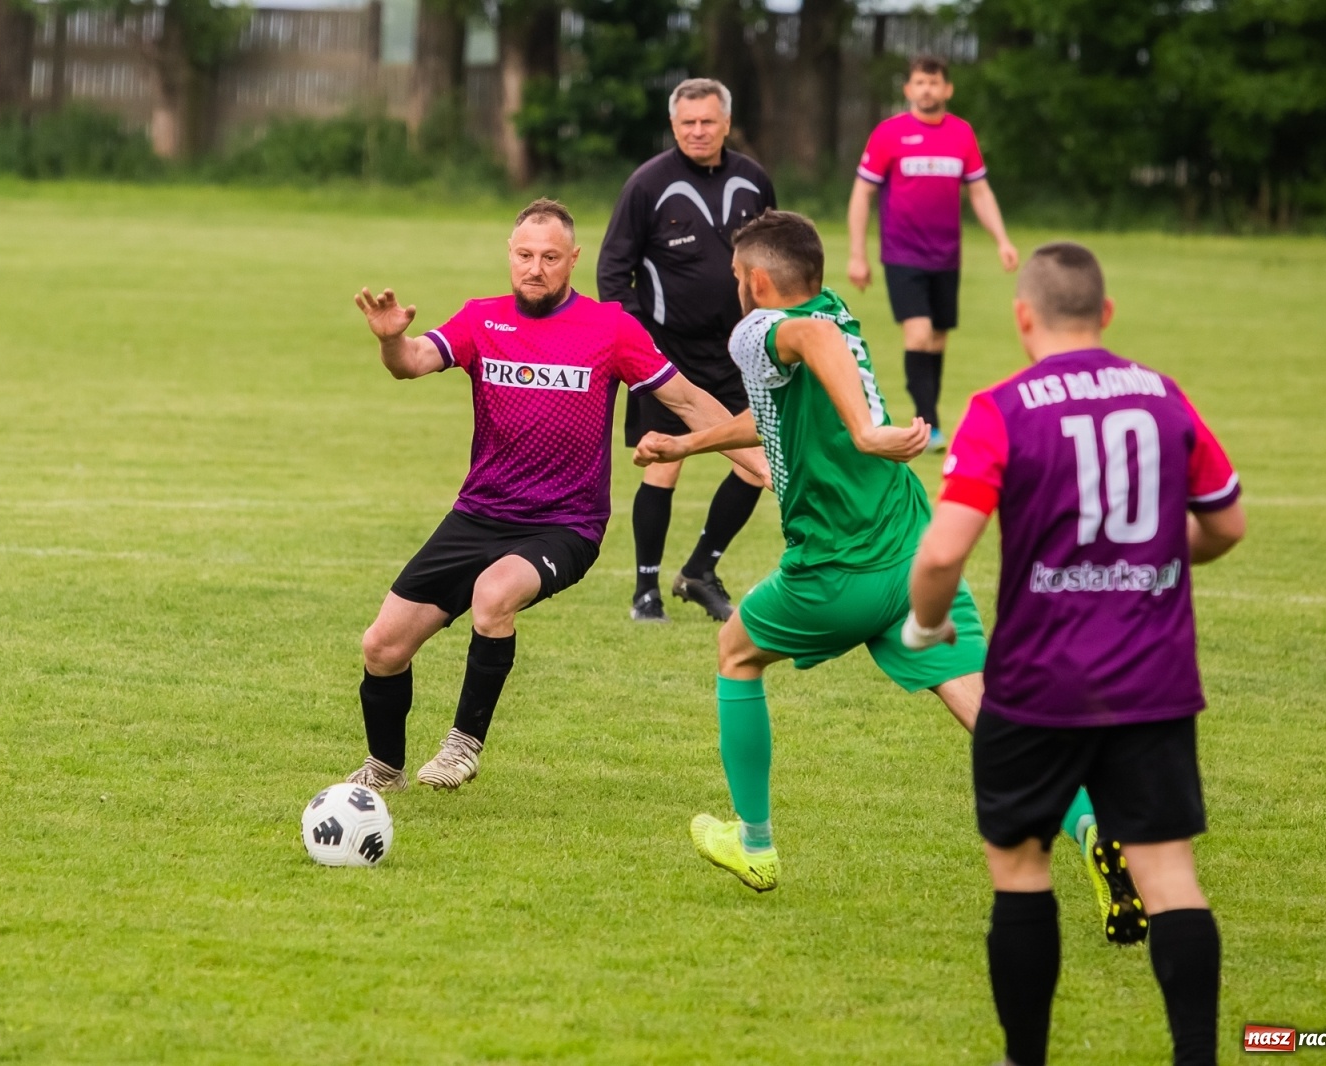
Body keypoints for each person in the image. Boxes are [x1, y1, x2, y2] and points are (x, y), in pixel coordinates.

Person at [636, 214, 1130, 937]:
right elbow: (777, 412)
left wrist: (868, 433)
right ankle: (1091, 827)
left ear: (761, 282)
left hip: (834, 572)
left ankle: (756, 846)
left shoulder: (766, 330)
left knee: (736, 654)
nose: (733, 286)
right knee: (989, 711)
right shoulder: (836, 308)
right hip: (915, 557)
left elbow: (807, 345)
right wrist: (689, 440)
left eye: (738, 275)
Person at [905, 242, 1245, 1066]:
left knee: (1021, 871)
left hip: (1036, 686)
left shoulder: (1000, 408)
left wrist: (924, 626)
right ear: (1108, 315)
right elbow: (1227, 524)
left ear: (1024, 317)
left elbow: (944, 551)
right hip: (1154, 681)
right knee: (1169, 877)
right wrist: (1153, 555)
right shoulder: (1164, 397)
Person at [347, 199, 767, 792]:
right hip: (478, 513)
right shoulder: (480, 319)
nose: (535, 268)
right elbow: (411, 362)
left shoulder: (610, 328)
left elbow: (691, 401)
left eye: (549, 257)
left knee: (495, 595)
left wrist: (764, 464)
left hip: (566, 524)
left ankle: (463, 745)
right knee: (382, 646)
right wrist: (392, 341)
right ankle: (384, 770)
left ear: (573, 260)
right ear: (509, 256)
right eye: (524, 255)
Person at [599, 77, 777, 624]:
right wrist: (637, 344)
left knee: (758, 462)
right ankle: (645, 591)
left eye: (707, 121)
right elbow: (612, 270)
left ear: (726, 122)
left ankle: (700, 570)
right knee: (663, 464)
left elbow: (777, 257)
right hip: (666, 352)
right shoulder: (647, 184)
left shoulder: (754, 180)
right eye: (687, 123)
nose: (698, 131)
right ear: (673, 126)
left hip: (739, 352)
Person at [847, 54, 1018, 453]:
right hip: (902, 254)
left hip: (946, 257)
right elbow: (862, 193)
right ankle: (931, 426)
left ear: (947, 89)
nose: (927, 89)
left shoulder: (961, 134)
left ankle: (931, 415)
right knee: (919, 333)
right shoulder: (889, 134)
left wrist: (1002, 240)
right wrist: (858, 254)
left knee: (937, 340)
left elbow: (979, 191)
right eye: (919, 83)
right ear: (908, 89)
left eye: (934, 82)